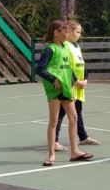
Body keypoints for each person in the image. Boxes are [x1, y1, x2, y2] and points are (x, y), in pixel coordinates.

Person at [36, 19, 93, 166]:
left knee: (73, 117)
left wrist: (75, 80)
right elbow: (40, 69)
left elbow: (69, 68)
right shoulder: (50, 49)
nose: (67, 33)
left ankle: (75, 151)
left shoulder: (66, 48)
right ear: (56, 33)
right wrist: (53, 78)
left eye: (68, 31)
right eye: (65, 31)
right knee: (54, 121)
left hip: (67, 88)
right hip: (55, 90)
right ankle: (51, 155)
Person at [55, 19, 99, 150]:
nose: (79, 35)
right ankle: (55, 140)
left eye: (80, 32)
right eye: (77, 32)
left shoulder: (76, 46)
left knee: (78, 111)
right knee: (62, 112)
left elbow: (81, 64)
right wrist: (75, 80)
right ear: (69, 31)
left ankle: (83, 137)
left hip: (79, 87)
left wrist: (85, 78)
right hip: (69, 85)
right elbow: (66, 66)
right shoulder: (65, 46)